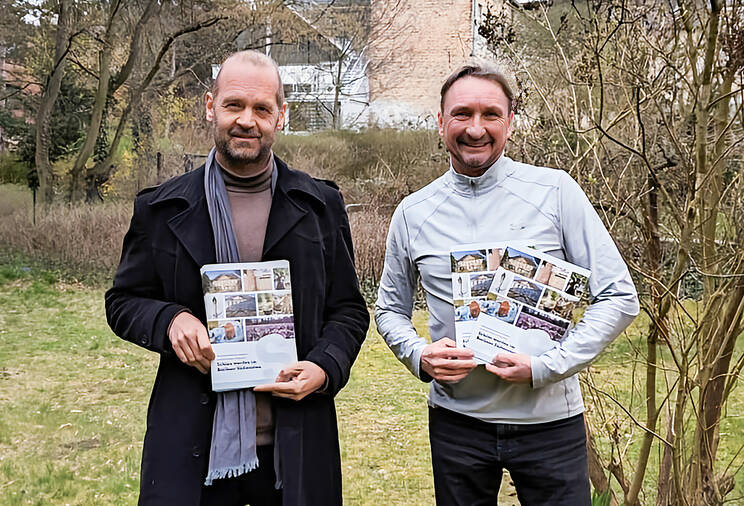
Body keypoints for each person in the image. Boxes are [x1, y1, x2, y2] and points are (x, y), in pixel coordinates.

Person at [105, 50, 369, 506]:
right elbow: (124, 301)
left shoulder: (320, 206)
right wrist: (169, 321)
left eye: (262, 108)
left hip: (296, 442)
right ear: (211, 107)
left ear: (280, 116)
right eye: (234, 105)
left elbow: (347, 310)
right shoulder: (162, 208)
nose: (247, 120)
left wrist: (325, 367)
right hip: (192, 444)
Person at [374, 61, 639, 505]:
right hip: (458, 425)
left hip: (550, 425)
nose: (475, 128)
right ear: (440, 122)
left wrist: (544, 367)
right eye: (461, 114)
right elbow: (388, 310)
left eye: (491, 114)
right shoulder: (413, 212)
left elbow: (618, 296)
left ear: (510, 123)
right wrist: (420, 356)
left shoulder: (556, 192)